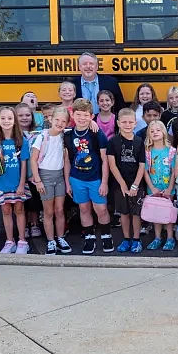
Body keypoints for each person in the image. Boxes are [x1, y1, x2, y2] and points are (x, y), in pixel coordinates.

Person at [64, 99, 113, 255]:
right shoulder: (68, 135)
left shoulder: (97, 134)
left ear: (91, 116)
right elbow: (67, 160)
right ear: (72, 114)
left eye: (85, 115)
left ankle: (106, 235)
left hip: (95, 178)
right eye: (78, 114)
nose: (82, 118)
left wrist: (104, 182)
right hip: (77, 178)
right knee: (83, 208)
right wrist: (67, 182)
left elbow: (105, 160)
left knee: (101, 208)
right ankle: (90, 237)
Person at [0, 106, 32, 254]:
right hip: (0, 182)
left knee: (19, 209)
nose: (6, 121)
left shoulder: (21, 141)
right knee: (6, 210)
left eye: (9, 118)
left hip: (17, 182)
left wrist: (22, 183)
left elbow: (23, 164)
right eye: (3, 118)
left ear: (14, 120)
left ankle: (22, 240)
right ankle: (10, 241)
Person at [31, 107, 70, 255]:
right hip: (45, 177)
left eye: (63, 121)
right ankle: (50, 241)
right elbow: (33, 160)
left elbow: (66, 161)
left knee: (60, 210)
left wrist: (67, 182)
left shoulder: (65, 137)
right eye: (57, 120)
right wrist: (38, 181)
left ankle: (60, 238)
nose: (60, 123)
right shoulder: (42, 137)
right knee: (48, 211)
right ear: (50, 119)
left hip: (59, 176)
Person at [107, 108, 146, 253]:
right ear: (118, 123)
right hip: (120, 184)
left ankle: (136, 239)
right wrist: (123, 184)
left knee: (136, 213)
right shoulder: (113, 142)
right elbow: (112, 164)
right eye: (124, 122)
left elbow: (142, 165)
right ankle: (126, 239)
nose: (127, 125)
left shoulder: (139, 142)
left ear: (135, 123)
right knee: (124, 213)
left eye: (130, 122)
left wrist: (135, 184)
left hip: (137, 183)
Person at [143, 120, 177, 251]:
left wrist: (169, 188)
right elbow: (145, 171)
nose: (155, 133)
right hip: (153, 188)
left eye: (158, 130)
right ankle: (157, 237)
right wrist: (152, 188)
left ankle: (170, 237)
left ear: (164, 132)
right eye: (152, 131)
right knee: (155, 213)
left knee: (167, 213)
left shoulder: (171, 151)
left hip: (168, 188)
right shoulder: (147, 152)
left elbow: (174, 172)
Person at [16, 103, 42, 240]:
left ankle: (34, 223)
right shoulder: (13, 134)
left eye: (27, 115)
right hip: (17, 173)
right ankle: (24, 225)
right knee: (21, 202)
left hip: (32, 173)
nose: (24, 118)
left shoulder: (37, 132)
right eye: (20, 115)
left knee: (34, 201)